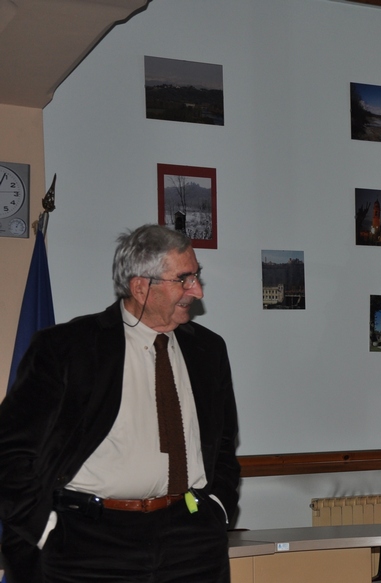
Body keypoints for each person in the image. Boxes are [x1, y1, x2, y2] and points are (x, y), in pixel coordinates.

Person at [0, 224, 240, 583]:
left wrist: (217, 508)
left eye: (197, 276)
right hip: (89, 543)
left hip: (190, 541)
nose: (197, 290)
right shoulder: (67, 348)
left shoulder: (209, 350)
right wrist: (46, 529)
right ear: (141, 286)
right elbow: (11, 452)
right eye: (184, 279)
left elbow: (222, 444)